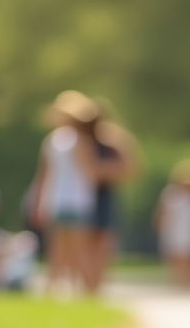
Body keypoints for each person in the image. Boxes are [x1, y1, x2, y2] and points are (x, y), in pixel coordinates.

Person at [33, 91, 109, 295]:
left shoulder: (52, 141)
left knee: (58, 252)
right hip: (78, 202)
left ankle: (54, 291)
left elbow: (44, 177)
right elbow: (91, 173)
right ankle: (89, 293)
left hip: (57, 202)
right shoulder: (80, 141)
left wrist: (39, 203)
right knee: (78, 251)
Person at [85, 102, 140, 292]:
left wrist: (99, 171)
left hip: (104, 194)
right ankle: (87, 287)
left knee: (102, 243)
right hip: (81, 196)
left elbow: (131, 168)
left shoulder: (112, 139)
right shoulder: (80, 139)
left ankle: (95, 288)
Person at [154, 159, 190, 288]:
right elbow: (162, 212)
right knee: (175, 259)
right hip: (174, 231)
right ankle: (177, 284)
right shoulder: (170, 193)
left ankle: (189, 285)